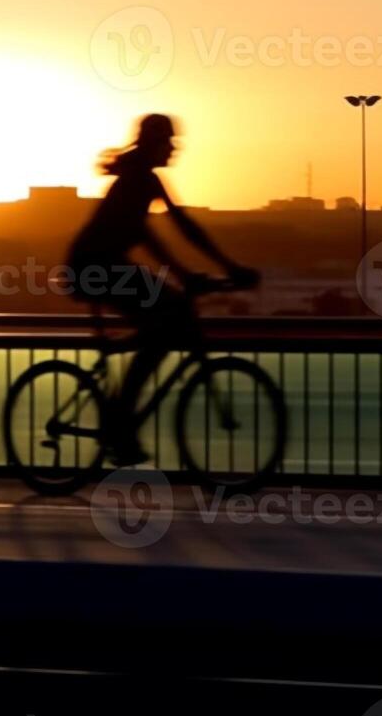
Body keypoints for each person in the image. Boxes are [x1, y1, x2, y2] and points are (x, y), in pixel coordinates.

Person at [66, 114, 259, 466]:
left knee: (166, 319)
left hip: (107, 264)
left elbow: (180, 228)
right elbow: (154, 236)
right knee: (162, 329)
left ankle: (120, 418)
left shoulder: (146, 180)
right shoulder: (136, 182)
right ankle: (121, 423)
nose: (173, 149)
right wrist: (222, 269)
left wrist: (197, 272)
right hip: (94, 267)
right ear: (154, 144)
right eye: (168, 143)